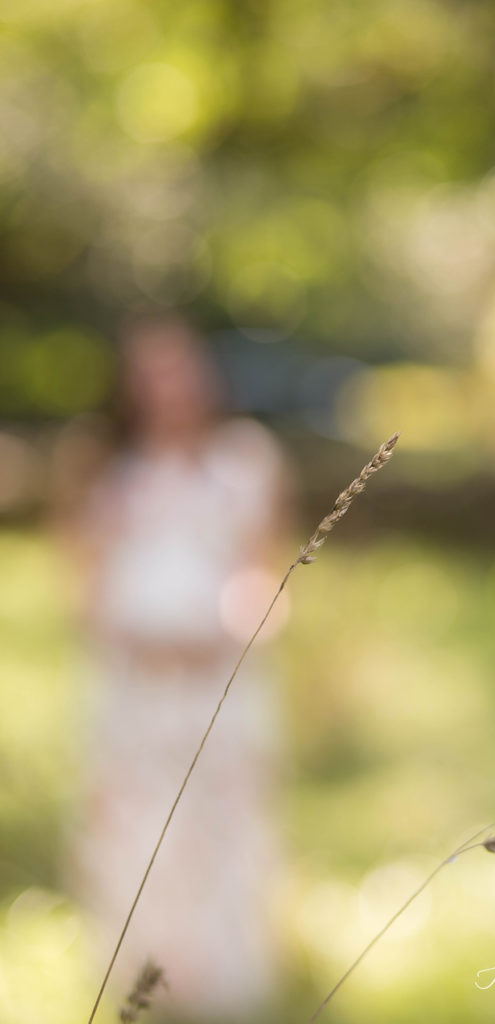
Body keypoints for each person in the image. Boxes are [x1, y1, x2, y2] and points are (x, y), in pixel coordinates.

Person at [66, 315, 290, 1021]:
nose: (168, 388)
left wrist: (236, 629)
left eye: (180, 369)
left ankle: (227, 980)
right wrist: (138, 638)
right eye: (150, 373)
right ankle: (145, 978)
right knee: (134, 825)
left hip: (221, 680)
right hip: (133, 682)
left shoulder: (244, 461)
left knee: (224, 825)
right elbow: (81, 581)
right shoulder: (104, 469)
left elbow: (267, 573)